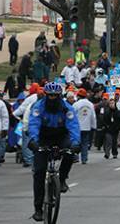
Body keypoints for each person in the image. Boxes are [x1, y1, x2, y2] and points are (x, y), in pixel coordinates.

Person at [27, 82, 80, 221]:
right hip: (43, 137)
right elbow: (34, 124)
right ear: (45, 95)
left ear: (59, 96)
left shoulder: (67, 108)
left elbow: (73, 126)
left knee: (70, 152)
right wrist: (33, 140)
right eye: (49, 95)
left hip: (61, 136)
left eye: (55, 96)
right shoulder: (38, 107)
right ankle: (38, 209)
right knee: (39, 172)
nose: (52, 98)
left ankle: (62, 180)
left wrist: (75, 143)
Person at [73, 89, 96, 164]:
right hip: (87, 127)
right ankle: (84, 158)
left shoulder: (76, 104)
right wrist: (94, 126)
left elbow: (72, 116)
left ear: (79, 96)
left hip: (77, 127)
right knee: (85, 143)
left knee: (76, 142)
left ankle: (75, 157)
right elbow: (93, 116)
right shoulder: (90, 104)